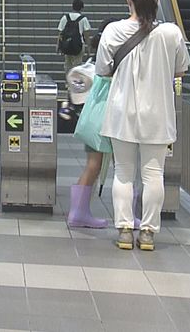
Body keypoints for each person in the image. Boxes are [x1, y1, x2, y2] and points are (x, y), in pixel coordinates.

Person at [95, 0, 189, 251]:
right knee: (153, 174)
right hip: (158, 114)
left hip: (122, 112)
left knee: (123, 172)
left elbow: (102, 70)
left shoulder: (113, 31)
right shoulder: (171, 33)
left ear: (128, 1)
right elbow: (181, 69)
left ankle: (124, 231)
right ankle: (148, 233)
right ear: (157, 0)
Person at [65, 20, 116, 229]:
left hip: (91, 120)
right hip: (104, 122)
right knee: (102, 166)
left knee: (93, 165)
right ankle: (78, 213)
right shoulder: (109, 67)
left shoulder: (93, 62)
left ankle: (79, 211)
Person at [57, 0, 91, 80]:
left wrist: (58, 45)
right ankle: (75, 83)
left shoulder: (65, 17)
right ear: (81, 8)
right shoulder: (83, 19)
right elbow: (87, 35)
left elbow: (60, 33)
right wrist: (88, 47)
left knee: (68, 65)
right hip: (79, 45)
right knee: (77, 65)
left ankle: (68, 83)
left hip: (67, 45)